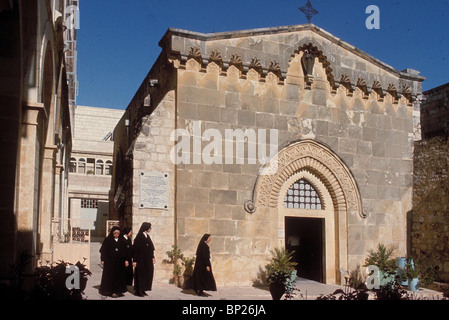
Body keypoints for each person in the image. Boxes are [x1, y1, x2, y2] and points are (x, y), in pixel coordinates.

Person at [99, 226, 127, 297]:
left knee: (119, 277)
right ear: (112, 233)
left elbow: (125, 251)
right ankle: (111, 291)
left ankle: (119, 291)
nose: (116, 234)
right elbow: (103, 251)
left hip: (120, 262)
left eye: (118, 233)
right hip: (110, 262)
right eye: (115, 233)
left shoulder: (122, 240)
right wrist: (102, 259)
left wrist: (126, 260)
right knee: (110, 276)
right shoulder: (108, 240)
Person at [133, 222, 155, 296]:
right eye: (149, 227)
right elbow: (135, 249)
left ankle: (144, 289)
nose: (150, 229)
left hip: (147, 260)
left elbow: (151, 248)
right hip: (140, 260)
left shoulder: (147, 236)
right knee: (140, 275)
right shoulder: (139, 236)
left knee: (147, 274)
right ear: (146, 228)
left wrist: (152, 257)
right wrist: (135, 260)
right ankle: (138, 290)